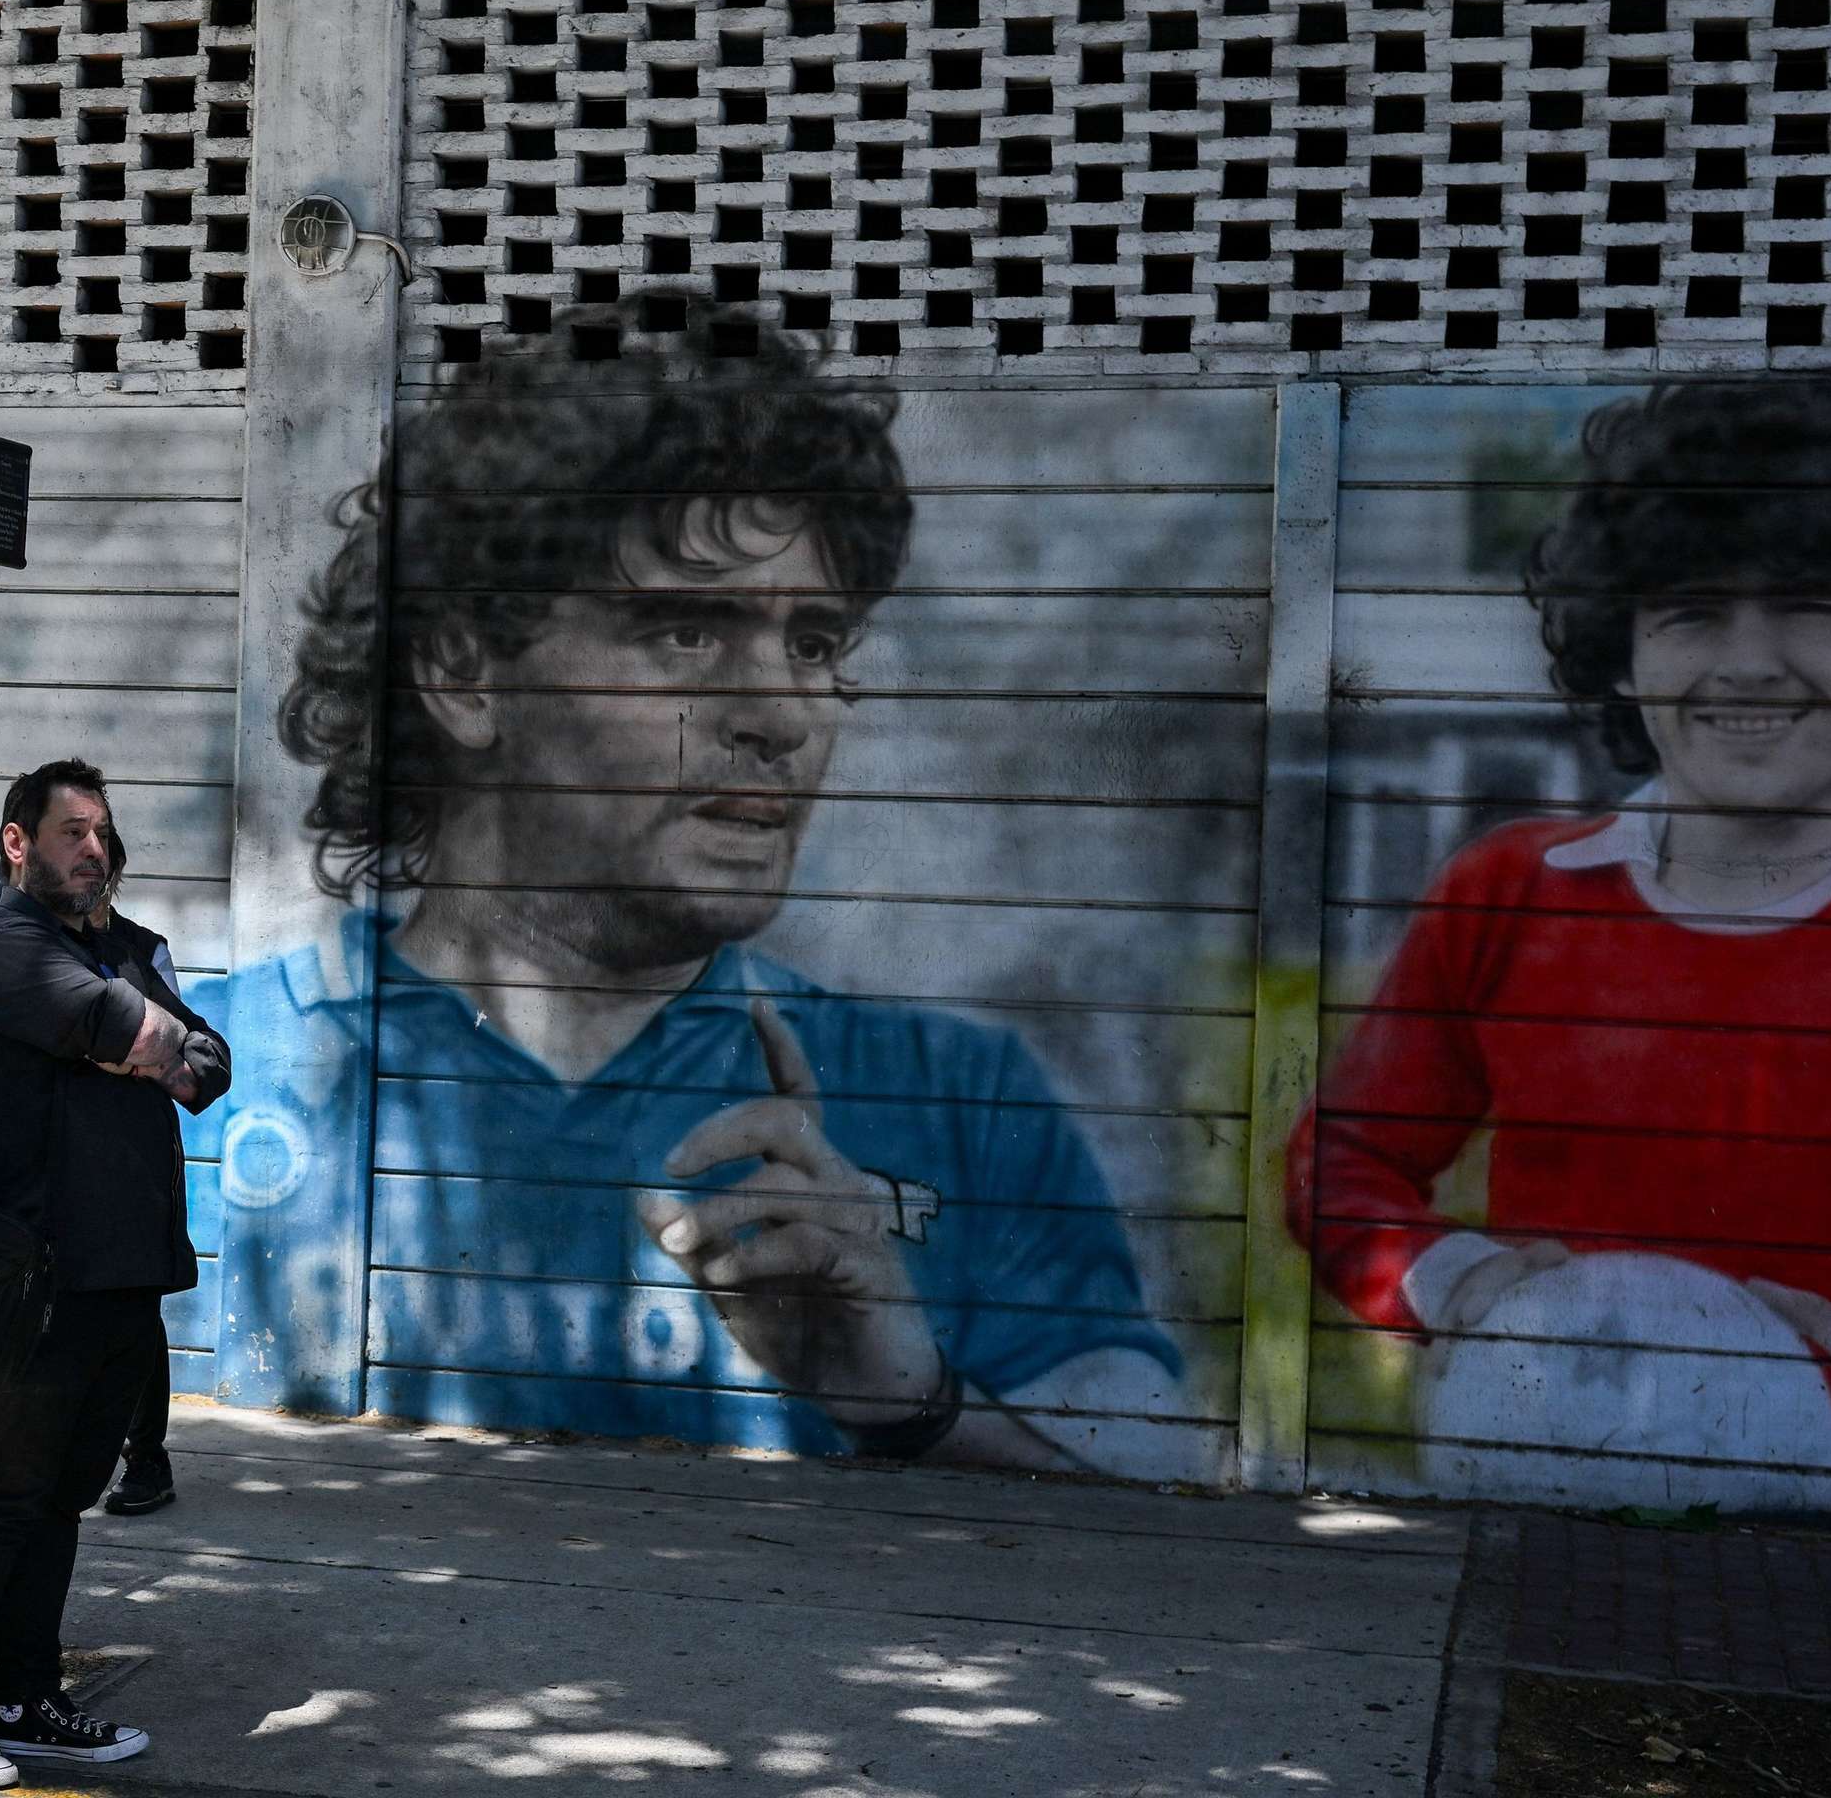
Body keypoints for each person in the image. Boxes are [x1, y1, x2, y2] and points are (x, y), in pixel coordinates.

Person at [202, 301, 1181, 1469]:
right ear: (464, 672)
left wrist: (907, 1396)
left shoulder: (962, 1102)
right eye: (684, 632)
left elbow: (1154, 1517)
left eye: (814, 642)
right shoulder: (210, 1073)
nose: (780, 716)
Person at [1293, 379, 1831, 1500]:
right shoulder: (1505, 894)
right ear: (1623, 652)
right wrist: (1455, 1281)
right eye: (1692, 610)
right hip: (1526, 1535)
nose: (1750, 661)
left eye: (1811, 604)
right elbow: (1339, 1164)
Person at [0, 761, 229, 1792]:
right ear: (18, 842)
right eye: (70, 831)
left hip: (124, 1273)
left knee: (62, 1498)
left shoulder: (121, 950)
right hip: (31, 1277)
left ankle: (27, 1694)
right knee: (5, 1494)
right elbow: (137, 1033)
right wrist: (136, 1039)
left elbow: (209, 1067)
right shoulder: (7, 947)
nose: (91, 848)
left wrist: (142, 1042)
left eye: (102, 832)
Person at [90, 823, 181, 1518]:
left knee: (136, 1312)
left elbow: (184, 1046)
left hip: (133, 1155)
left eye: (101, 859)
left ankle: (145, 1458)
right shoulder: (23, 946)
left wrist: (124, 1056)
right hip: (51, 1159)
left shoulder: (144, 950)